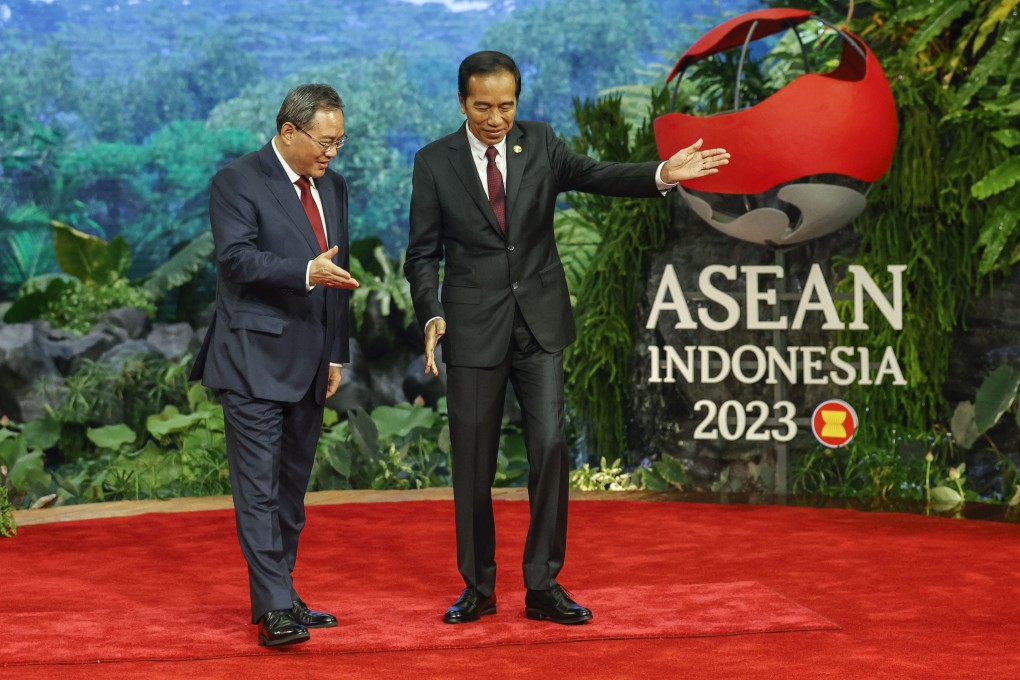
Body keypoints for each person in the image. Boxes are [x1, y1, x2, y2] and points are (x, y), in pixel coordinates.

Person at [404, 51, 729, 625]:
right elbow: (422, 253)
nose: (496, 118)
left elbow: (596, 174)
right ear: (462, 103)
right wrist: (431, 314)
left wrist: (662, 174)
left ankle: (542, 585)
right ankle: (478, 587)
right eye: (483, 107)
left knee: (551, 449)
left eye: (506, 106)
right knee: (473, 464)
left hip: (539, 325)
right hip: (473, 327)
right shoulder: (434, 162)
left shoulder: (543, 142)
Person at [190, 83, 359, 647]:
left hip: (313, 362)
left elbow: (341, 272)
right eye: (325, 141)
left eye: (340, 142)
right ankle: (273, 610)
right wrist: (305, 271)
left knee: (290, 490)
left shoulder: (332, 186)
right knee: (258, 490)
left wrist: (338, 352)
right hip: (252, 360)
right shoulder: (238, 180)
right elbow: (237, 259)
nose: (332, 152)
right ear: (290, 131)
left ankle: (282, 592)